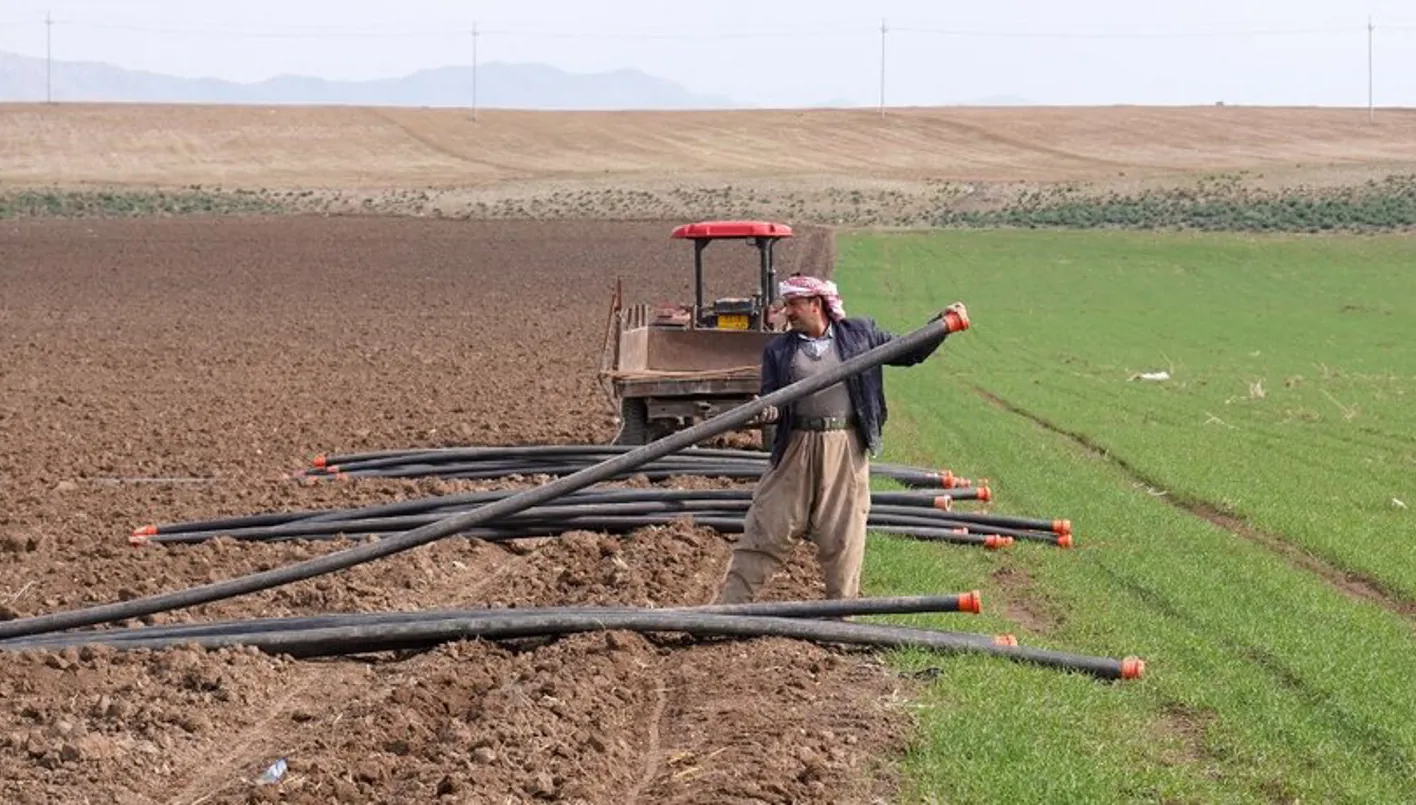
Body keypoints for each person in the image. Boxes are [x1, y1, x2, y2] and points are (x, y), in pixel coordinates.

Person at [715, 272, 966, 604]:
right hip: (797, 446)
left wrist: (942, 324)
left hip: (845, 446)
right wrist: (768, 412)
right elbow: (772, 398)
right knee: (768, 527)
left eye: (793, 305)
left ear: (816, 304)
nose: (787, 312)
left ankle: (841, 618)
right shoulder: (779, 350)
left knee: (844, 535)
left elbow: (909, 353)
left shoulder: (860, 335)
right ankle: (726, 612)